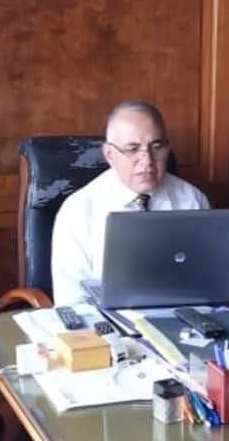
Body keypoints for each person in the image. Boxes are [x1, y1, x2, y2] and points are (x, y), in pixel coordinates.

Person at [51, 101, 210, 306]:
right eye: (133, 149)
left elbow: (206, 282)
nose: (147, 161)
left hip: (179, 314)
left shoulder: (192, 200)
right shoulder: (78, 210)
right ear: (110, 155)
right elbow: (72, 301)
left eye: (157, 147)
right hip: (105, 319)